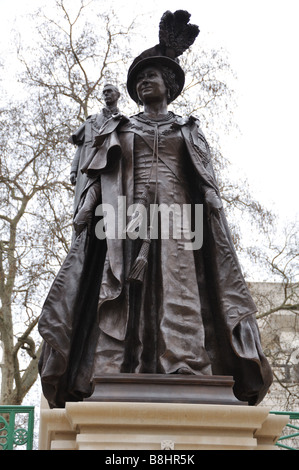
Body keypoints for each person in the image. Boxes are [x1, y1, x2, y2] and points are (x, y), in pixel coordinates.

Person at [38, 10, 272, 408]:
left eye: (152, 76)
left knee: (180, 289)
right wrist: (85, 209)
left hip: (182, 220)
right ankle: (118, 367)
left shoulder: (188, 128)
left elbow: (205, 178)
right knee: (125, 290)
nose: (145, 82)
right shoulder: (121, 128)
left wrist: (215, 208)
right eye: (140, 79)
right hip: (126, 219)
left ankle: (183, 365)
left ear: (170, 85)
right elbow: (99, 174)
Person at [69, 83, 120, 216]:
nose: (106, 94)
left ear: (117, 95)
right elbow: (80, 148)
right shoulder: (91, 121)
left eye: (109, 91)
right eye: (104, 92)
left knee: (111, 205)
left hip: (111, 169)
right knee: (83, 206)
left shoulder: (123, 122)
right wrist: (73, 170)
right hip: (87, 169)